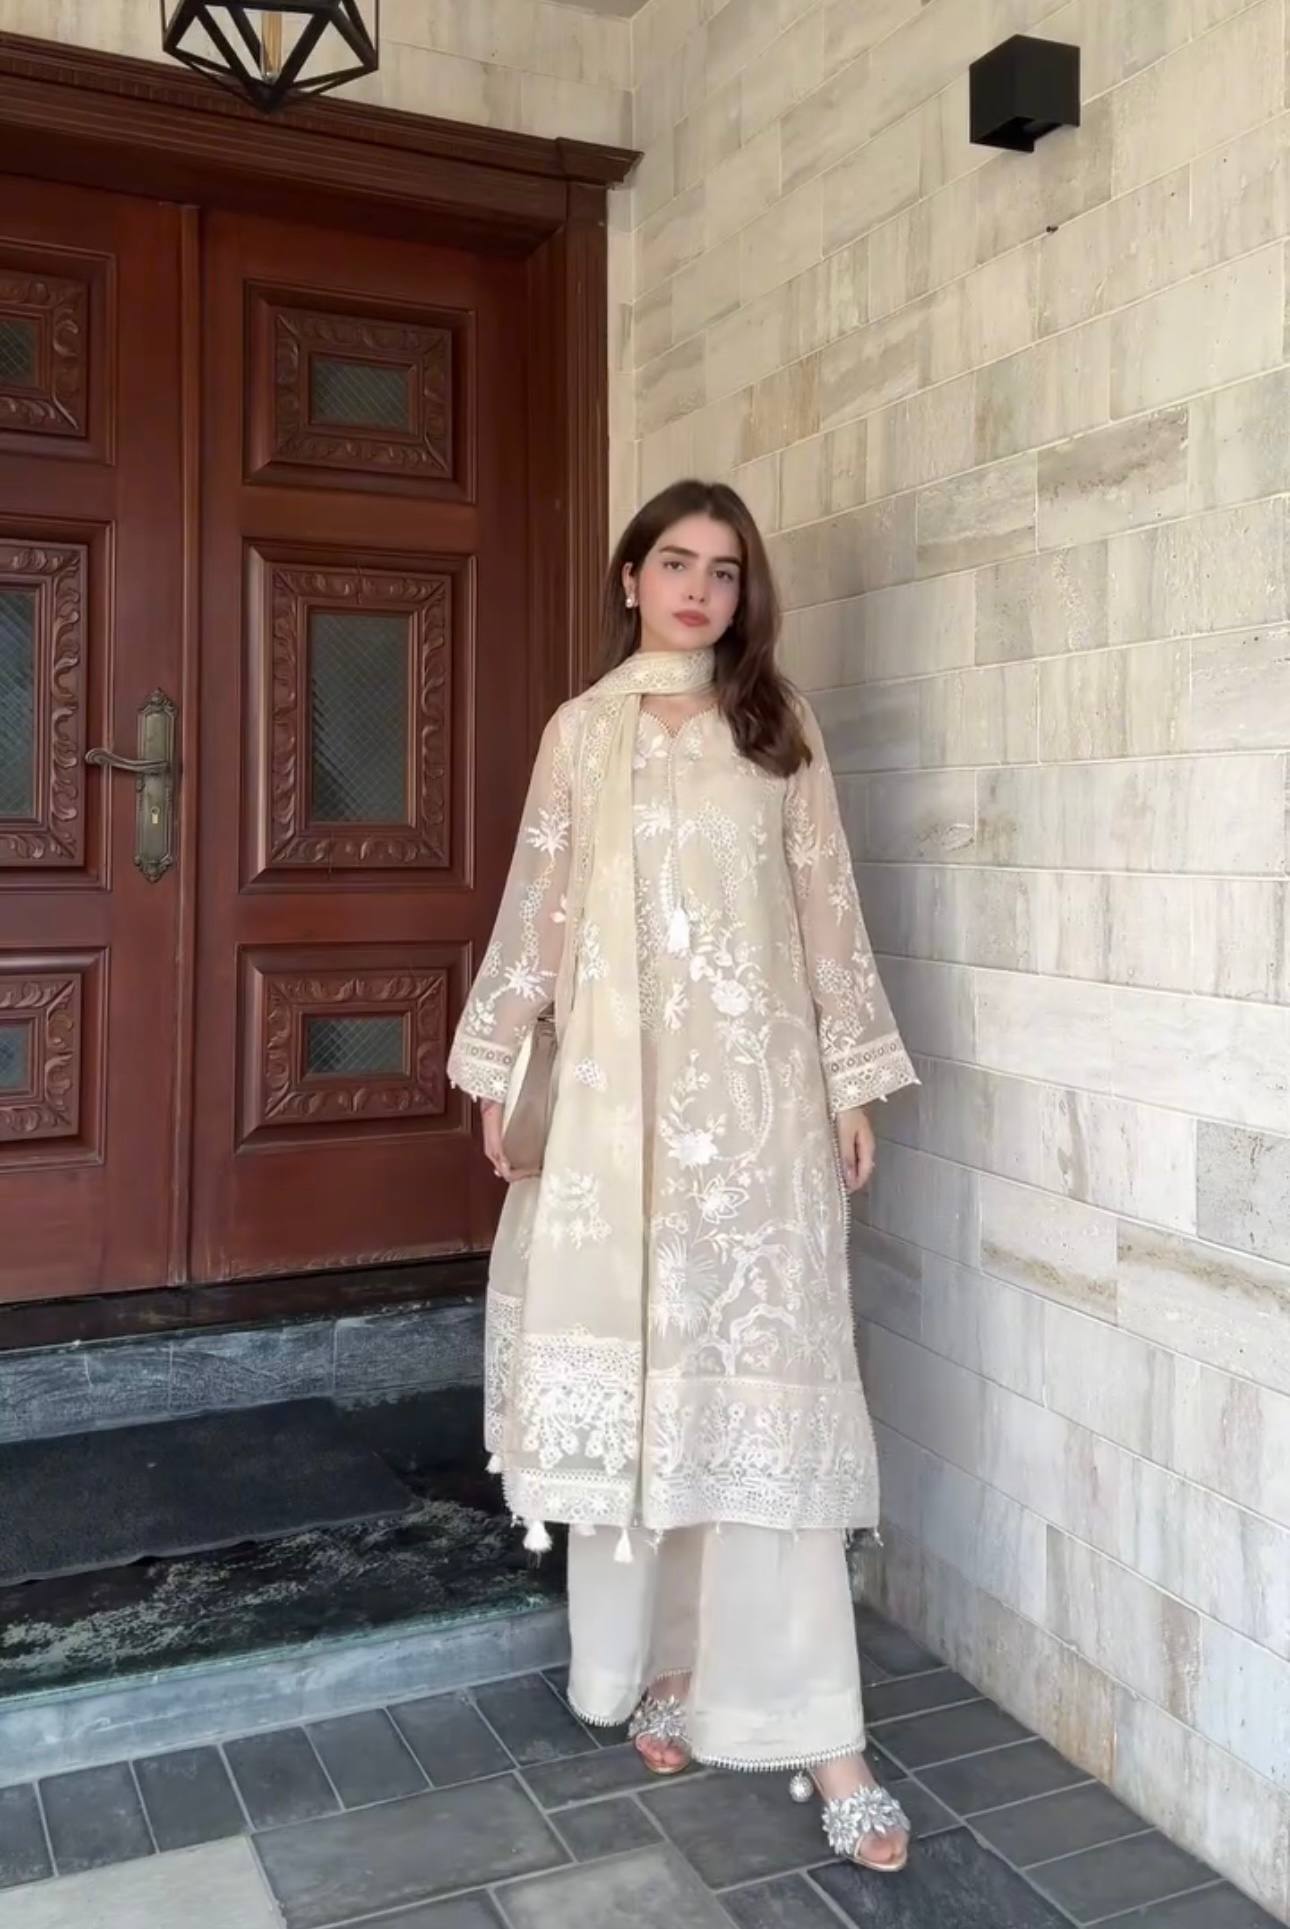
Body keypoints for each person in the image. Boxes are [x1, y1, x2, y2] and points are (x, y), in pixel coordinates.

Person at [447, 479, 920, 1874]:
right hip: (615, 1125)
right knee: (656, 1391)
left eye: (723, 569)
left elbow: (828, 913)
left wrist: (846, 1083)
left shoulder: (778, 727)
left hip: (758, 1122)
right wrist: (499, 1066)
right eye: (675, 563)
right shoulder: (580, 733)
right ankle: (665, 1665)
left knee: (763, 1387)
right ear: (630, 578)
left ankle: (824, 1734)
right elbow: (535, 911)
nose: (700, 590)